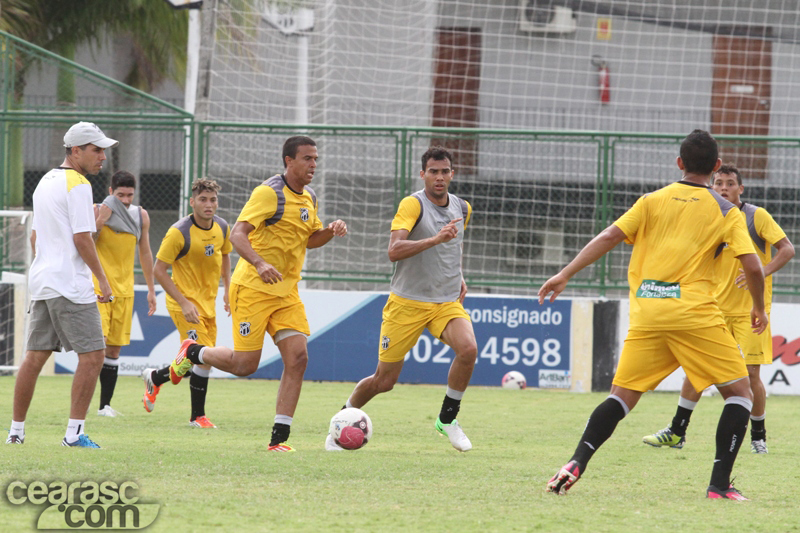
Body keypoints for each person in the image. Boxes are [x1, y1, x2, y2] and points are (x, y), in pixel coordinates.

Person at [538, 130, 768, 500]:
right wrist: (758, 307)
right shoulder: (726, 210)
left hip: (647, 312)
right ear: (716, 167)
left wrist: (565, 273)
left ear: (679, 163)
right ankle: (719, 485)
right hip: (694, 315)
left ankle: (575, 461)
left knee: (620, 397)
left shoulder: (650, 200)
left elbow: (610, 235)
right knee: (740, 394)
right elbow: (754, 268)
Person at [164, 136, 347, 450]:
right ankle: (194, 352)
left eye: (315, 159)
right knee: (245, 365)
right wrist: (260, 263)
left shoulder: (309, 197)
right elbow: (237, 234)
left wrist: (329, 231)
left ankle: (278, 440)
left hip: (286, 292)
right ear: (289, 161)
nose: (313, 165)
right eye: (307, 158)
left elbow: (309, 239)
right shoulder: (269, 193)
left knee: (298, 358)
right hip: (251, 289)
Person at [326, 146, 477, 453]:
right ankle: (339, 424)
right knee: (383, 381)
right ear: (422, 174)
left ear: (452, 173)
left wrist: (457, 275)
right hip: (407, 303)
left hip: (445, 302)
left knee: (469, 349)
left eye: (444, 171)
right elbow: (394, 250)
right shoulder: (412, 205)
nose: (439, 177)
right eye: (432, 171)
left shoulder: (462, 208)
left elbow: (452, 246)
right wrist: (435, 239)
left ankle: (447, 420)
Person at [642, 164, 794, 454]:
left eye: (730, 183)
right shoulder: (709, 215)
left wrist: (761, 271)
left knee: (751, 374)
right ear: (712, 186)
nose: (723, 188)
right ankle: (677, 431)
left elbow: (787, 249)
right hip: (711, 308)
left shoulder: (755, 216)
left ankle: (758, 436)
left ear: (741, 189)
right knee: (696, 370)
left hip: (750, 310)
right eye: (719, 183)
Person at [6, 122, 116, 448]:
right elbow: (82, 238)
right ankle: (74, 434)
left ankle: (16, 432)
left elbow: (35, 236)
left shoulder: (45, 181)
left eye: (103, 150)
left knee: (34, 358)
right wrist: (103, 279)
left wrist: (49, 264)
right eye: (96, 150)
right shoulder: (78, 184)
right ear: (76, 151)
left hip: (43, 281)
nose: (102, 157)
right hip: (69, 284)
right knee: (94, 355)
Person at [142, 179, 232, 428]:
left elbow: (225, 255)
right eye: (202, 200)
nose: (208, 204)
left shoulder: (223, 227)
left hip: (208, 304)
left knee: (203, 359)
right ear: (192, 202)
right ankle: (197, 417)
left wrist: (227, 289)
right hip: (183, 303)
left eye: (212, 200)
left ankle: (156, 377)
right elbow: (159, 270)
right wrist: (183, 303)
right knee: (203, 357)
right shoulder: (178, 232)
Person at [93, 171, 157, 417]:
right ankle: (81, 407)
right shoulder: (97, 210)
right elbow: (84, 241)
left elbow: (145, 253)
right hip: (98, 289)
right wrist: (100, 221)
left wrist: (151, 290)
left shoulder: (140, 216)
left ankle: (104, 406)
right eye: (120, 195)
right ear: (111, 192)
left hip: (125, 290)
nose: (126, 200)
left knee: (114, 351)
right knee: (96, 348)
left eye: (130, 195)